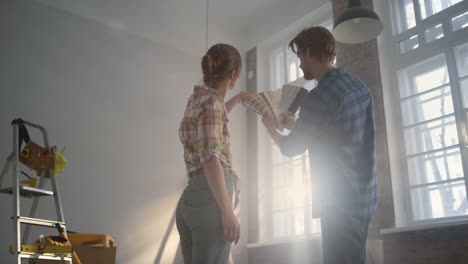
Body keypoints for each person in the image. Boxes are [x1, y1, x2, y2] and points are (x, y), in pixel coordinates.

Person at [262, 27, 377, 264]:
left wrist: (269, 127)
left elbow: (291, 148)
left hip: (339, 204)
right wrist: (296, 124)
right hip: (364, 197)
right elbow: (334, 134)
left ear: (307, 52)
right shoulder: (357, 86)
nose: (300, 64)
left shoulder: (319, 96)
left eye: (299, 57)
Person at [176, 43, 245, 264]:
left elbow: (214, 116)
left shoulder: (197, 100)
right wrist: (227, 210)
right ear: (234, 74)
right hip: (211, 197)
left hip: (191, 199)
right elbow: (210, 158)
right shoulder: (212, 105)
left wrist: (238, 99)